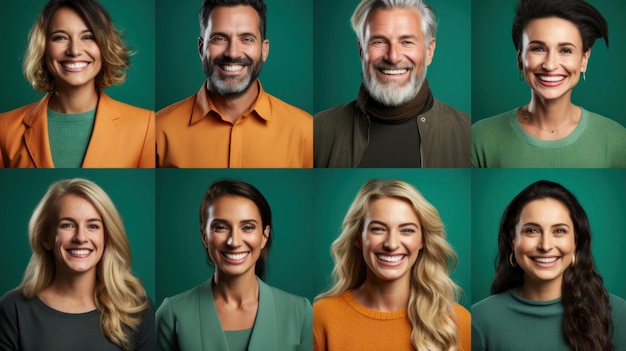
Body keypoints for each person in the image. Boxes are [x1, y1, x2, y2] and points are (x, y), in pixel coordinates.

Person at [313, 179, 470, 350]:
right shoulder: (321, 316)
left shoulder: (457, 321)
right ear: (357, 237)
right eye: (378, 229)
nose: (392, 244)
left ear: (422, 240)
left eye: (407, 230)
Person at [156, 179, 312, 350]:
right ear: (204, 235)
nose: (234, 241)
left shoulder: (300, 313)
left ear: (264, 236)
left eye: (247, 227)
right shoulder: (172, 314)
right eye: (221, 227)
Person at [0, 178, 155, 350]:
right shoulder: (13, 309)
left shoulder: (137, 308)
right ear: (46, 238)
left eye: (93, 226)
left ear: (107, 237)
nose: (80, 238)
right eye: (67, 225)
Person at [156, 0, 313, 168]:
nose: (232, 53)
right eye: (219, 38)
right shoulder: (159, 129)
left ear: (264, 50)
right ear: (201, 49)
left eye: (246, 39)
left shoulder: (305, 131)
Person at [314, 0, 470, 168]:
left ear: (429, 51)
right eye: (379, 41)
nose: (393, 57)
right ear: (361, 50)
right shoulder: (316, 131)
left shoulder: (467, 133)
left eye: (407, 42)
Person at [472, 180, 626, 350]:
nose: (545, 246)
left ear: (576, 241)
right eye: (532, 230)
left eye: (559, 231)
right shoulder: (479, 319)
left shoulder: (617, 314)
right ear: (512, 241)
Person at [0, 0, 155, 168]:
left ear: (104, 46)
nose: (74, 50)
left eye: (88, 37)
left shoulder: (146, 126)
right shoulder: (4, 128)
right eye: (60, 37)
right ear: (43, 47)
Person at [471, 0, 626, 168]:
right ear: (520, 59)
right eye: (538, 48)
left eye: (565, 50)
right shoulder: (479, 138)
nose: (550, 65)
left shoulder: (617, 139)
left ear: (584, 59)